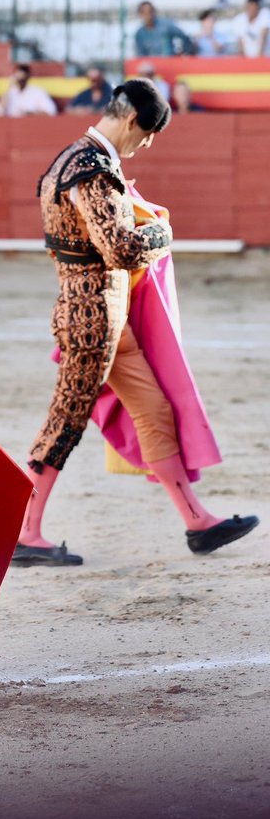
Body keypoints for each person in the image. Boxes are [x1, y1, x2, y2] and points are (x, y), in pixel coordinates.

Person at [14, 78, 258, 565]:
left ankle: (197, 523)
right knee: (64, 422)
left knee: (154, 410)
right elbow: (121, 249)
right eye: (146, 134)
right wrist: (162, 233)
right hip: (92, 320)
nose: (145, 144)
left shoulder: (71, 161)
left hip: (108, 319)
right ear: (129, 120)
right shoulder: (90, 169)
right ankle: (26, 533)